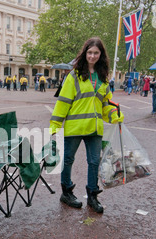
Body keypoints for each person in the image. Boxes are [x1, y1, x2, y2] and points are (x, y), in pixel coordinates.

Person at [49, 37, 124, 214]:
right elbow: (64, 101)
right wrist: (55, 124)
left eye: (96, 53)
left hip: (95, 128)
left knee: (94, 162)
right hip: (75, 127)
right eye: (89, 52)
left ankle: (92, 196)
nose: (92, 56)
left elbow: (105, 104)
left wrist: (114, 115)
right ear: (85, 54)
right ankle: (66, 193)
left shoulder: (104, 78)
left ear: (101, 55)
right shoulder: (74, 75)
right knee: (68, 160)